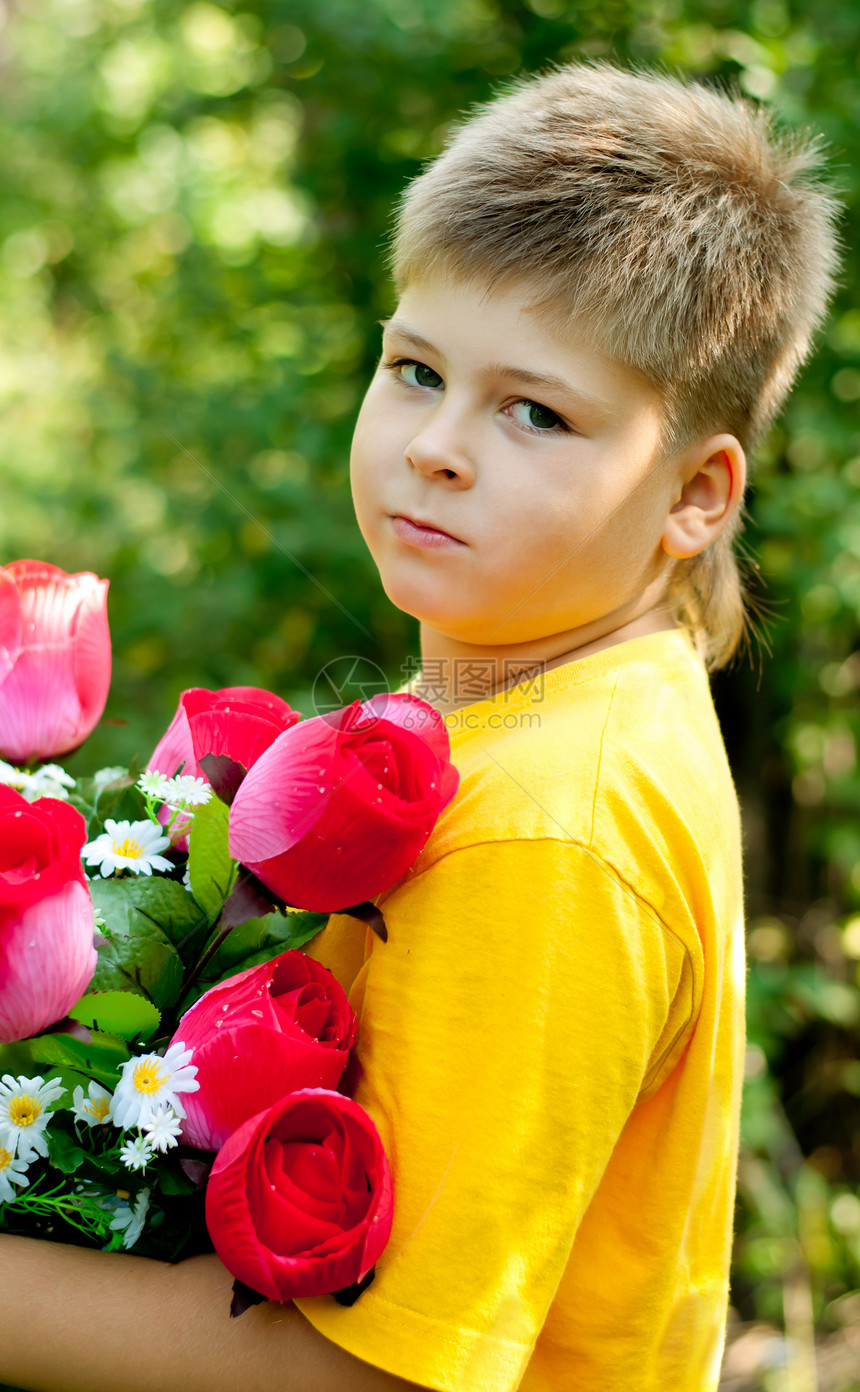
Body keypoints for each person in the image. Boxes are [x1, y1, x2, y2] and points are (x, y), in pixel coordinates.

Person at [0, 60, 839, 1392]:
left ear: (696, 494)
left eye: (536, 411)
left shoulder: (550, 830)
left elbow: (370, 1375)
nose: (436, 445)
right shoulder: (561, 703)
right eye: (415, 367)